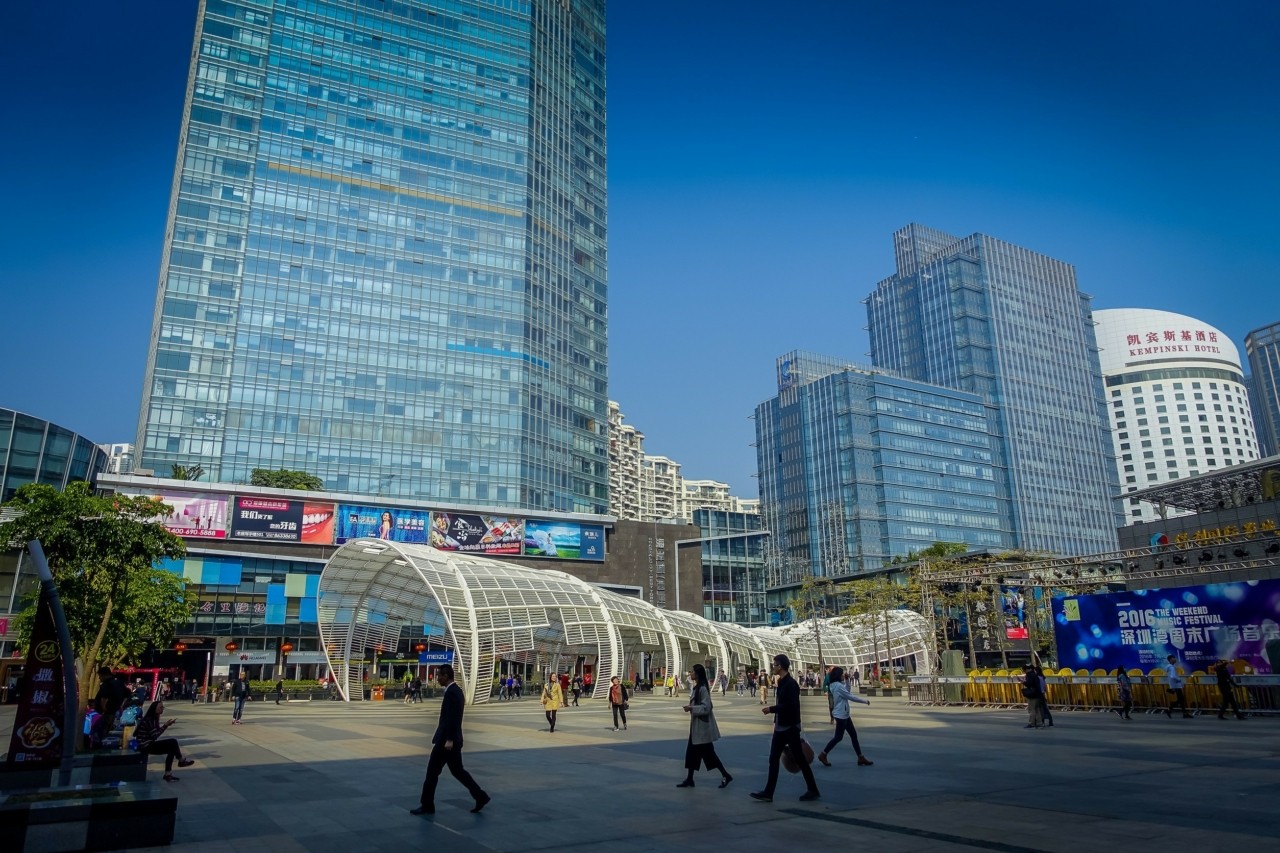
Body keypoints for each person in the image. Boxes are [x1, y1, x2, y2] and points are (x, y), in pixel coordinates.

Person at [410, 664, 490, 816]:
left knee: (432, 772)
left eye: (439, 676)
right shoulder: (455, 691)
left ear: (446, 676)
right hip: (451, 739)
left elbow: (453, 718)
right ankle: (480, 796)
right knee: (458, 771)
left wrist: (449, 739)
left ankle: (427, 805)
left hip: (446, 741)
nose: (437, 679)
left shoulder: (452, 692)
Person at [750, 654, 820, 803]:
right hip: (781, 727)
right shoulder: (781, 682)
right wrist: (775, 722)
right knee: (773, 759)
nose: (773, 667)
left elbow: (791, 705)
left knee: (799, 759)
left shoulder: (791, 684)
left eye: (774, 665)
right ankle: (768, 792)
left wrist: (772, 709)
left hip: (790, 727)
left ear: (780, 666)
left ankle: (813, 789)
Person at [678, 664, 732, 788]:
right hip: (697, 728)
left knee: (709, 755)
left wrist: (691, 708)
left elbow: (707, 707)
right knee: (692, 754)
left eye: (692, 672)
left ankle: (726, 775)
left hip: (702, 729)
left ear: (697, 674)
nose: (691, 673)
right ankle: (690, 779)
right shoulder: (697, 687)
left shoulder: (702, 688)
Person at [817, 666, 873, 767]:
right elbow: (850, 696)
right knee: (838, 737)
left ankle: (860, 757)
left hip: (843, 714)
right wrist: (864, 701)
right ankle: (823, 754)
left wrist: (847, 681)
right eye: (842, 674)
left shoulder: (835, 685)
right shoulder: (838, 686)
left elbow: (847, 691)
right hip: (841, 715)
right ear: (838, 675)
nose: (843, 675)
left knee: (853, 735)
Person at [135, 700, 195, 782]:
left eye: (163, 707)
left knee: (172, 748)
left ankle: (168, 774)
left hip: (148, 744)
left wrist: (166, 725)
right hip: (145, 745)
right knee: (173, 742)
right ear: (154, 709)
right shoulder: (149, 720)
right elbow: (155, 736)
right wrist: (165, 726)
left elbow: (155, 733)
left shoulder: (154, 719)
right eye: (160, 707)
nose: (162, 708)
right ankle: (180, 761)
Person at [93, 667, 127, 749]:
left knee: (102, 729)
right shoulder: (119, 683)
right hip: (114, 709)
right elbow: (127, 694)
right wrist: (121, 705)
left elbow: (104, 698)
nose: (99, 678)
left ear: (104, 675)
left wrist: (103, 708)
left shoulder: (107, 684)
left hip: (106, 711)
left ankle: (102, 745)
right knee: (108, 728)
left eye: (100, 676)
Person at [1163, 654, 1192, 718]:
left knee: (1181, 699)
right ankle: (1170, 708)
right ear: (1171, 659)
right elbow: (1173, 676)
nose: (1175, 659)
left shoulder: (1169, 667)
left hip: (1173, 685)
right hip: (1176, 685)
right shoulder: (1171, 667)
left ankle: (1183, 713)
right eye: (1174, 658)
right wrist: (1179, 679)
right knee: (1181, 699)